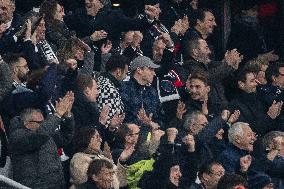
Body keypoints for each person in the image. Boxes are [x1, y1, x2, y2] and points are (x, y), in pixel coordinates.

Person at [9, 92, 75, 189]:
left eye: (44, 122)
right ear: (27, 123)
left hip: (57, 184)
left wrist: (67, 116)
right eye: (40, 122)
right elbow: (39, 137)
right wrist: (57, 114)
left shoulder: (44, 132)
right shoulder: (17, 136)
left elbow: (65, 137)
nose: (43, 124)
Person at [229, 67, 282, 136]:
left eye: (255, 80)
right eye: (252, 81)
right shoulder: (235, 105)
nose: (256, 84)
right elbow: (247, 131)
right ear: (241, 84)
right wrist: (269, 117)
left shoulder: (261, 94)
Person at [97, 54, 129, 126]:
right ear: (118, 71)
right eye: (126, 73)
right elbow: (108, 122)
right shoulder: (108, 89)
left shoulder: (103, 82)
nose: (126, 76)